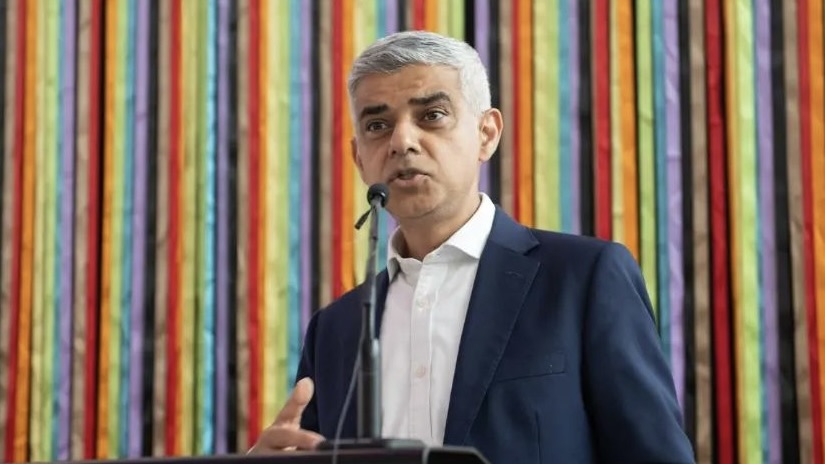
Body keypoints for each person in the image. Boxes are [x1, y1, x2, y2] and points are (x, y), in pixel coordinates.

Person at [249, 30, 695, 463]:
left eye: (432, 115)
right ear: (359, 157)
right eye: (378, 125)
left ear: (487, 134)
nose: (402, 141)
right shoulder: (335, 330)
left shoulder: (585, 280)